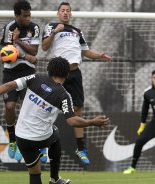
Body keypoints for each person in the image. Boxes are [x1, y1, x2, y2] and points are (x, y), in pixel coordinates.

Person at [0, 57, 109, 184]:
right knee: (55, 134)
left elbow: (8, 86)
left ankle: (51, 177)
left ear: (49, 70)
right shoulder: (64, 95)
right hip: (41, 138)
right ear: (67, 75)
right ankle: (54, 178)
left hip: (21, 136)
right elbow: (72, 121)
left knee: (35, 173)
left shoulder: (36, 78)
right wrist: (92, 122)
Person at [41, 1, 112, 165]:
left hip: (74, 74)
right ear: (58, 14)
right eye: (62, 10)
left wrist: (99, 55)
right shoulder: (51, 26)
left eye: (68, 11)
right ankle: (42, 146)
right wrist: (54, 33)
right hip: (57, 73)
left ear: (70, 14)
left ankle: (81, 149)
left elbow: (86, 51)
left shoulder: (76, 31)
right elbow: (44, 47)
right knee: (48, 108)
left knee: (77, 110)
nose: (65, 13)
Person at [0, 0, 41, 161]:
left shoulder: (34, 28)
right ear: (17, 16)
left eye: (29, 14)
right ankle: (12, 140)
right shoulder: (8, 28)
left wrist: (18, 41)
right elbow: (5, 54)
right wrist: (16, 50)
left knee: (28, 108)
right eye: (25, 16)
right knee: (10, 106)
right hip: (10, 72)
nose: (28, 18)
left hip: (28, 71)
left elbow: (35, 51)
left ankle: (32, 144)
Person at [123, 70, 155, 174]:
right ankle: (132, 167)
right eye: (154, 77)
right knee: (140, 141)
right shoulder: (148, 93)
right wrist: (142, 125)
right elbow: (145, 110)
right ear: (151, 78)